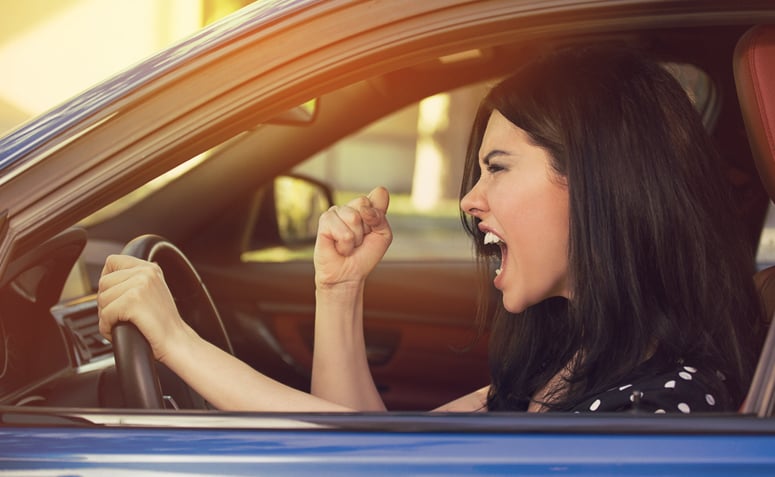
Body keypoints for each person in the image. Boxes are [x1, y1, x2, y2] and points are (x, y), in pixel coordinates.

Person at [97, 46, 764, 414]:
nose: (469, 198)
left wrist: (175, 341)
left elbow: (350, 464)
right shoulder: (571, 353)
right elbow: (375, 454)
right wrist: (339, 291)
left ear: (596, 182)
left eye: (496, 168)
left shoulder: (657, 411)